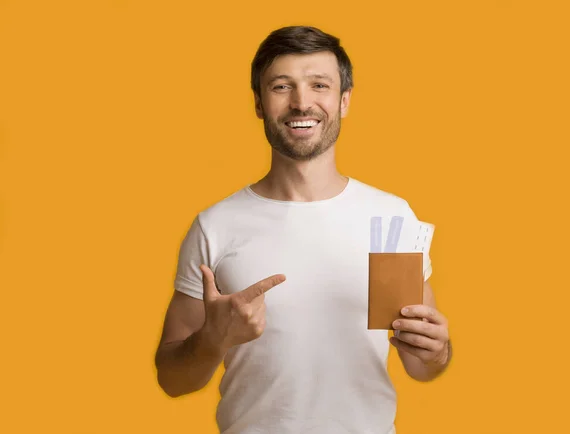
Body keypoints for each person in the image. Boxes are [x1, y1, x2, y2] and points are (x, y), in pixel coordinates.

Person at [154, 25, 452, 434]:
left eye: (319, 85)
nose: (301, 102)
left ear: (344, 100)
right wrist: (211, 340)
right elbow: (172, 380)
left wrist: (437, 352)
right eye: (281, 86)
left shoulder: (393, 218)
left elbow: (422, 366)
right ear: (259, 103)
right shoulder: (214, 225)